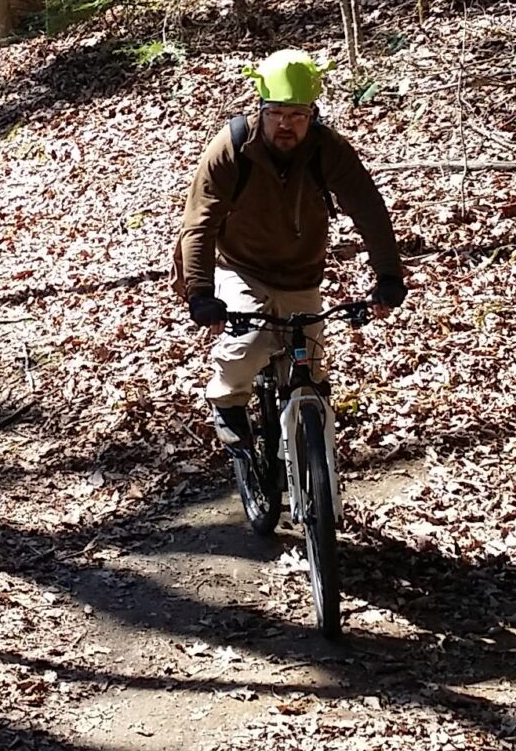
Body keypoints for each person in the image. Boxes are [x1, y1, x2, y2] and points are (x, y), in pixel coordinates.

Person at [172, 49, 407, 452]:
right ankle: (227, 401)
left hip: (302, 272)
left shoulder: (327, 149)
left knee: (311, 369)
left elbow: (368, 209)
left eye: (297, 115)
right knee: (248, 345)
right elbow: (199, 223)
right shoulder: (231, 149)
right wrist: (200, 293)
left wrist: (389, 276)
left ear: (312, 115)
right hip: (241, 266)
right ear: (260, 110)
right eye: (277, 113)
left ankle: (314, 465)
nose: (286, 124)